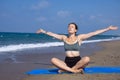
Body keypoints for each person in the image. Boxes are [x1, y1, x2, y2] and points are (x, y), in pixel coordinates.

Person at [36, 23, 118, 73]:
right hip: (67, 61)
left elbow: (94, 33)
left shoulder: (80, 38)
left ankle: (67, 70)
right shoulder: (64, 37)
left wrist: (108, 28)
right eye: (68, 27)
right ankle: (73, 70)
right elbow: (53, 34)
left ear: (76, 30)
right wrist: (43, 31)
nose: (69, 28)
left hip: (78, 61)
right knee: (53, 59)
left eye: (72, 27)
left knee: (87, 59)